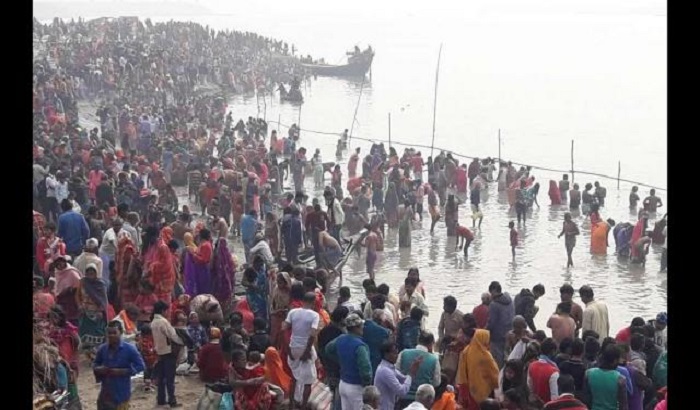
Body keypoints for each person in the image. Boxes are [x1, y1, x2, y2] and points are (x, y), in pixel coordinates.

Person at [93, 321, 146, 410]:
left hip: (121, 393)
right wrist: (99, 369)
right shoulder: (102, 349)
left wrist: (124, 371)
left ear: (121, 333)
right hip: (105, 393)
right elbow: (95, 364)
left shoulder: (129, 349)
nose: (111, 335)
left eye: (114, 333)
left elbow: (141, 366)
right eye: (109, 333)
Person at [325, 313, 373, 410]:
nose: (362, 327)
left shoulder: (341, 338)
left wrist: (340, 359)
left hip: (343, 384)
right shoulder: (360, 346)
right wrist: (367, 384)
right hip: (356, 387)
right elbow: (365, 370)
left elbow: (328, 349)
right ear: (355, 328)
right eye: (361, 326)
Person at [283, 292, 321, 408]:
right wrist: (307, 351)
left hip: (293, 347)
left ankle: (291, 404)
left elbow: (283, 330)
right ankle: (303, 406)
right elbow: (313, 334)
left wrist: (287, 347)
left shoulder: (293, 312)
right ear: (313, 302)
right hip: (305, 349)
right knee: (308, 382)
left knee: (294, 378)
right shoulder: (314, 315)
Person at [456, 329, 500, 410]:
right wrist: (497, 386)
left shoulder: (466, 350)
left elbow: (462, 372)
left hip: (469, 388)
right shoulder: (485, 355)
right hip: (484, 389)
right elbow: (494, 373)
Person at [151, 300, 184, 408]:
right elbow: (173, 336)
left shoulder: (153, 322)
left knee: (161, 377)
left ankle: (161, 399)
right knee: (170, 379)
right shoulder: (163, 322)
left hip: (159, 352)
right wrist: (182, 342)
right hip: (169, 352)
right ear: (163, 310)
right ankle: (172, 400)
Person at [396, 331, 442, 408]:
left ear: (418, 341)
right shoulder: (434, 359)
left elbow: (396, 373)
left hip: (403, 398)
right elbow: (436, 382)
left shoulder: (404, 353)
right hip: (423, 401)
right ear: (431, 344)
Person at [374, 341, 421, 410]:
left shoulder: (390, 368)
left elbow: (404, 378)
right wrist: (411, 374)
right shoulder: (384, 371)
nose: (397, 355)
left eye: (397, 352)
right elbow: (402, 391)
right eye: (394, 353)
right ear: (386, 354)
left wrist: (413, 369)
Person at [584, 344, 628, 410]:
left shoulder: (589, 373)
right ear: (615, 360)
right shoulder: (620, 379)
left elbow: (586, 398)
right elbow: (623, 405)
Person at [77, 263, 109, 353]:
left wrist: (100, 310)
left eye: (92, 272)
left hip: (97, 312)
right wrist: (80, 305)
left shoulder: (100, 284)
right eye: (88, 272)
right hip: (85, 312)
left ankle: (98, 350)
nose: (90, 274)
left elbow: (103, 299)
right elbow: (77, 295)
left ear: (96, 273)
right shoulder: (82, 282)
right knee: (85, 330)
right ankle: (86, 350)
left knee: (98, 331)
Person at [487, 281, 515, 368]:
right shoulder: (510, 300)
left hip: (497, 337)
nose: (490, 295)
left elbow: (491, 323)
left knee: (497, 362)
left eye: (491, 292)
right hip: (510, 333)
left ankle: (498, 378)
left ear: (494, 291)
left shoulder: (494, 305)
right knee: (507, 356)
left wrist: (484, 332)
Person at [527, 338, 560, 403]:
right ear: (553, 351)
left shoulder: (531, 366)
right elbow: (555, 398)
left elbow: (530, 389)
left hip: (535, 405)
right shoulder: (553, 371)